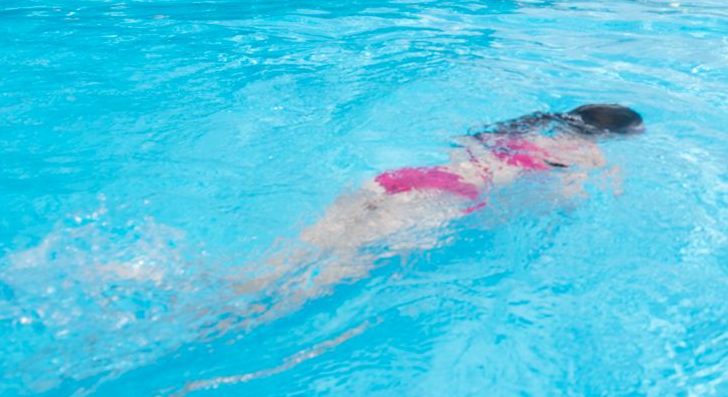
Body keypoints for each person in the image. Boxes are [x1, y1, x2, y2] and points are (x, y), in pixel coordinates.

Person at [245, 104, 644, 303]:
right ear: (610, 137)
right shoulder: (588, 155)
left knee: (290, 256)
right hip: (441, 200)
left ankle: (226, 287)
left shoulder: (519, 128)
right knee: (317, 282)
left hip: (398, 180)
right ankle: (222, 323)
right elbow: (570, 204)